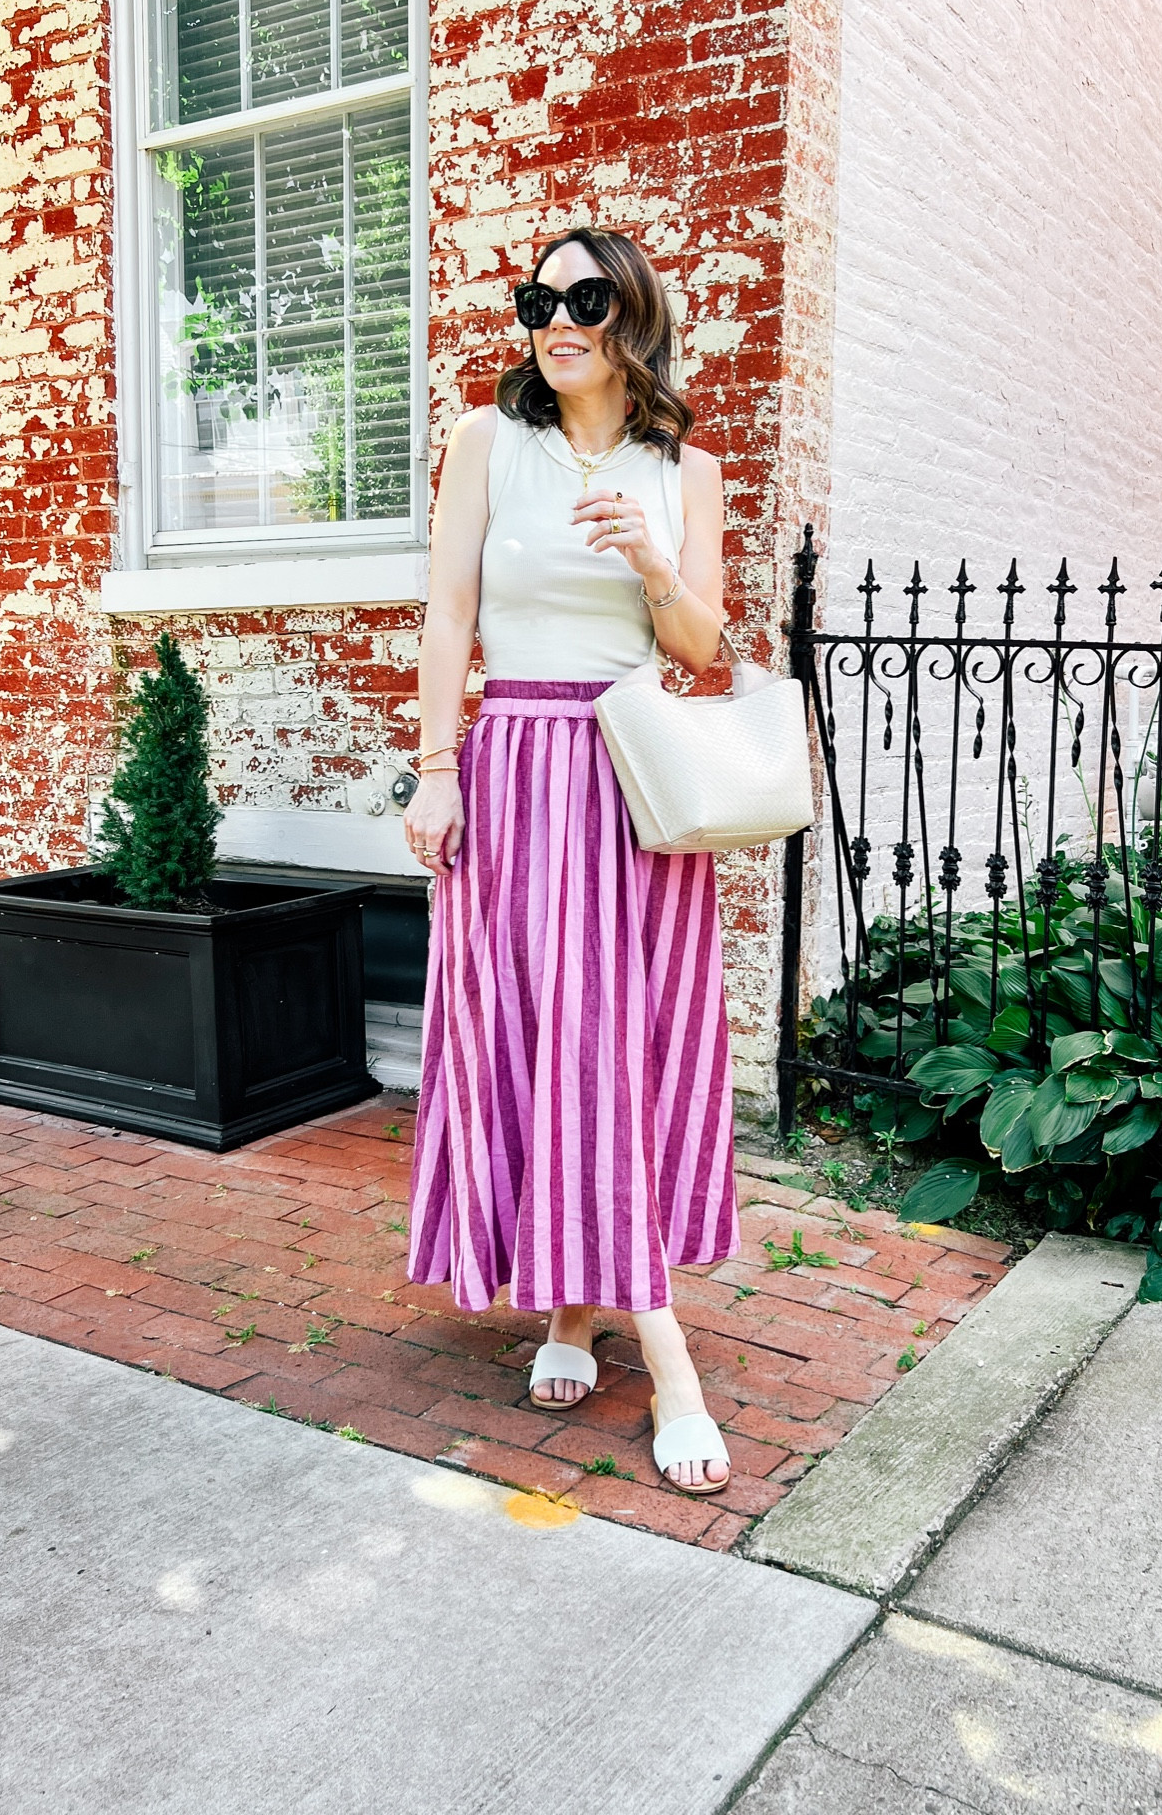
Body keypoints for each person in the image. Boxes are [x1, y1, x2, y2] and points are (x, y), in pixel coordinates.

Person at [402, 227, 738, 1496]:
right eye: (536, 299)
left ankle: (624, 1330)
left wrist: (649, 558)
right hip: (514, 770)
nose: (555, 319)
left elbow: (702, 649)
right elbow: (448, 612)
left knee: (615, 1051)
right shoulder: (488, 442)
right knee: (543, 1037)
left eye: (583, 297)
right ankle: (585, 1314)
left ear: (629, 315)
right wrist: (437, 765)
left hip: (627, 778)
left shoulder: (687, 470)